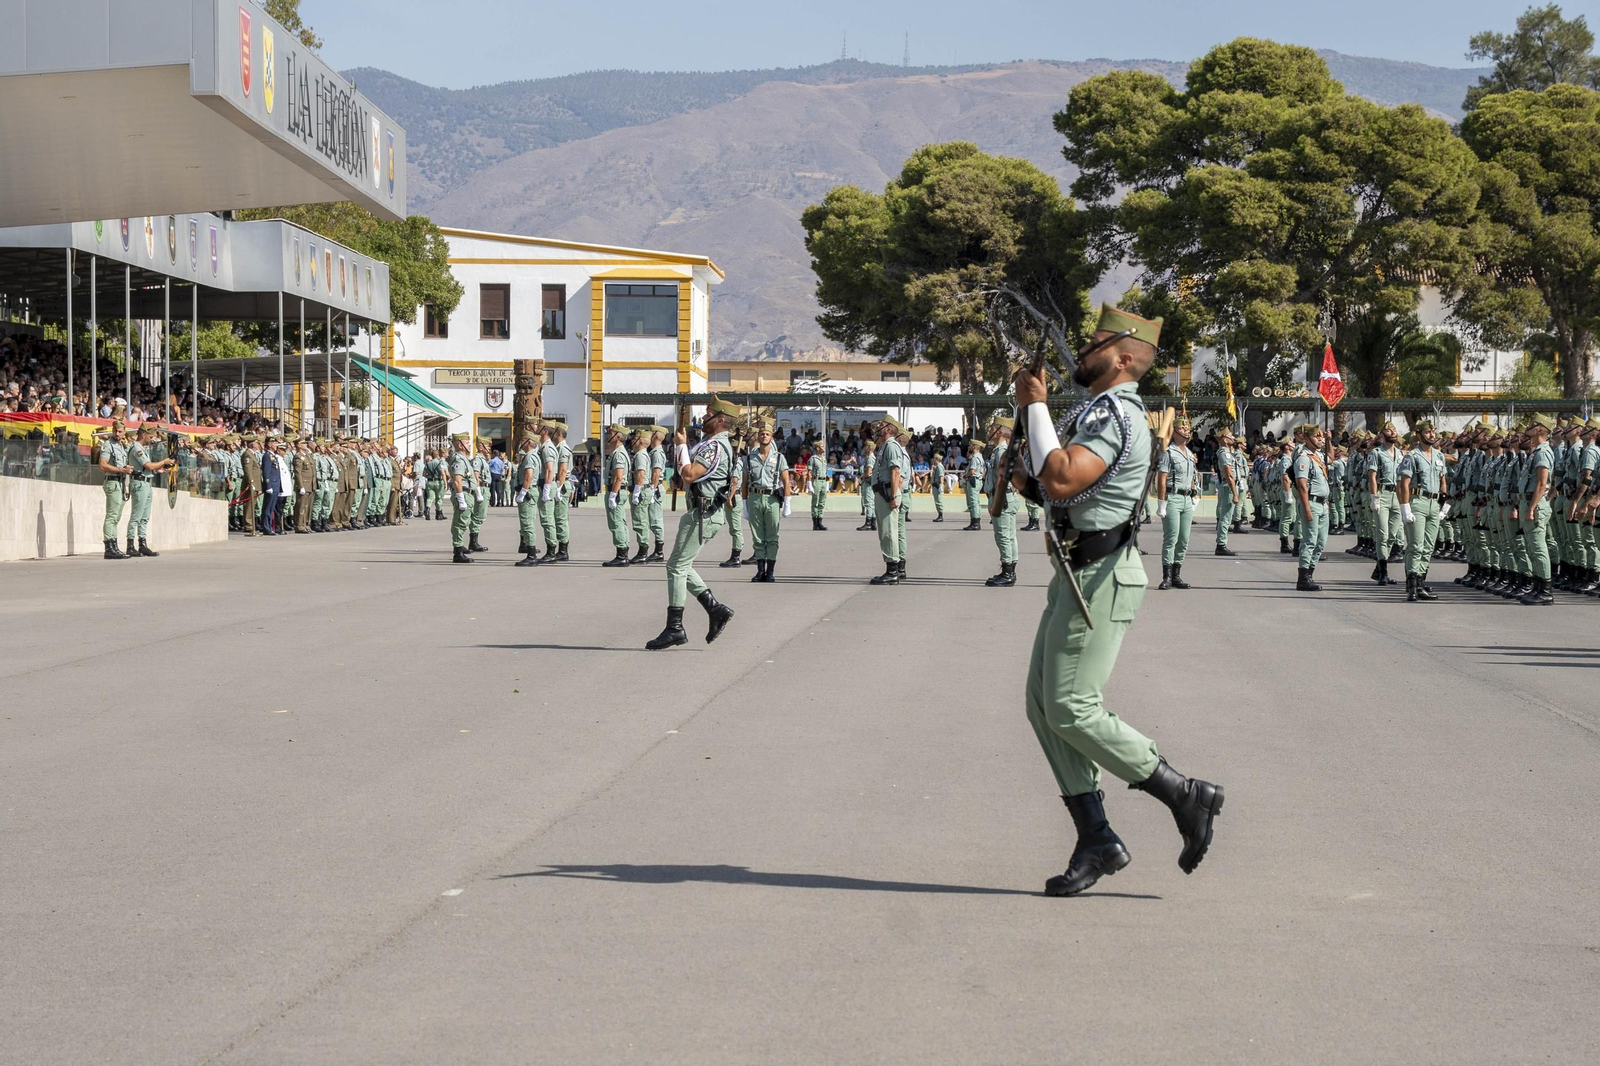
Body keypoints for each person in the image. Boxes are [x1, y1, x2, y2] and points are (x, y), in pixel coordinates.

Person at [1011, 304, 1224, 897]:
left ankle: (1184, 793)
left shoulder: (1113, 410)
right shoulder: (1100, 410)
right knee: (1043, 704)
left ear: (1125, 357)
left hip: (1100, 574)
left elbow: (1061, 477)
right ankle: (1097, 836)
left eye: (1097, 342)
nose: (1083, 349)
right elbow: (1056, 487)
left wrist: (1033, 405)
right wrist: (1023, 460)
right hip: (1077, 571)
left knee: (1071, 705)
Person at [646, 397, 742, 650]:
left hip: (703, 514)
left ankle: (675, 627)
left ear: (720, 420)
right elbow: (688, 479)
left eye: (709, 414)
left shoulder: (714, 447)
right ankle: (715, 609)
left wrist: (680, 446)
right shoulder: (710, 444)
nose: (704, 417)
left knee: (676, 567)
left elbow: (690, 473)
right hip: (700, 511)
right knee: (681, 565)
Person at [1397, 419, 1446, 602]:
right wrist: (1405, 506)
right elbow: (1404, 483)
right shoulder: (1412, 456)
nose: (1431, 435)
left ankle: (1421, 582)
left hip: (1434, 503)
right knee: (1416, 545)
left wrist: (1444, 504)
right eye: (1427, 432)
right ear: (1419, 435)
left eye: (1433, 432)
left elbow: (1443, 481)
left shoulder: (1439, 456)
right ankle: (1412, 586)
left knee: (1428, 547)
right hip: (1418, 501)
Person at [742, 416, 792, 582]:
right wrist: (744, 504)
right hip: (754, 497)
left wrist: (787, 503)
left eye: (767, 434)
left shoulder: (779, 458)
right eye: (762, 433)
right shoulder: (749, 458)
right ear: (758, 437)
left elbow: (785, 481)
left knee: (772, 536)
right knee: (757, 537)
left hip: (771, 499)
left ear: (771, 437)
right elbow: (744, 483)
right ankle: (760, 570)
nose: (764, 436)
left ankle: (770, 572)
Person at [1517, 413, 1558, 605]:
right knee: (1532, 548)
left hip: (1535, 505)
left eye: (1533, 425)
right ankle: (1537, 586)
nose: (1529, 427)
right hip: (1528, 502)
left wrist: (1531, 507)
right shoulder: (1535, 451)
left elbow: (1542, 484)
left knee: (1539, 547)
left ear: (1541, 430)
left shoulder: (1543, 452)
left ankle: (1546, 591)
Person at [1155, 418, 1197, 590]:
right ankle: (1167, 577)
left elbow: (1193, 476)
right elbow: (1162, 478)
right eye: (1182, 427)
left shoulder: (1189, 453)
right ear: (1174, 431)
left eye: (1187, 428)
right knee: (1171, 537)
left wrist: (1194, 495)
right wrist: (1161, 503)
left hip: (1187, 499)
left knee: (1184, 539)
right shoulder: (1168, 453)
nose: (1186, 430)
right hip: (1173, 498)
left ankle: (1177, 575)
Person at [869, 416, 909, 585]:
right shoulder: (885, 446)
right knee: (886, 532)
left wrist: (893, 495)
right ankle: (892, 569)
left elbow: (895, 472)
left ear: (888, 429)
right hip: (884, 492)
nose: (878, 426)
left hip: (887, 493)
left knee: (888, 532)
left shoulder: (891, 445)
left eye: (881, 424)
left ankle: (892, 571)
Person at [1291, 424, 1331, 592]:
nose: (1320, 439)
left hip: (1322, 504)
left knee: (1321, 542)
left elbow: (1331, 456)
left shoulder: (1317, 456)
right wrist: (1306, 508)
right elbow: (1301, 484)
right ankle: (1303, 578)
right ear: (1306, 439)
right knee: (1309, 541)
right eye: (1316, 436)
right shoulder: (1303, 457)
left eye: (1321, 436)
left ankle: (1310, 573)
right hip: (1312, 503)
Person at [984, 415, 1019, 588]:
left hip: (1002, 499)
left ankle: (1007, 573)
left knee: (1003, 536)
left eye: (993, 428)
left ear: (1000, 432)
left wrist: (994, 503)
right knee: (1010, 536)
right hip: (1009, 498)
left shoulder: (1000, 451)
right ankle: (1010, 569)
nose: (990, 431)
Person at [97, 419, 135, 558]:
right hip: (112, 482)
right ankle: (109, 546)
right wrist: (121, 469)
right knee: (111, 516)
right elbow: (103, 465)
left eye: (119, 431)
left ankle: (114, 545)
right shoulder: (108, 445)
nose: (117, 434)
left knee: (116, 517)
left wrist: (126, 484)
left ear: (124, 432)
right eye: (115, 431)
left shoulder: (122, 446)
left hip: (120, 482)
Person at [603, 424, 633, 567]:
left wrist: (612, 495)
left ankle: (622, 555)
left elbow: (618, 477)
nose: (609, 435)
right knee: (619, 522)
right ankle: (623, 551)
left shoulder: (619, 453)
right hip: (617, 490)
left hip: (616, 490)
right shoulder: (618, 452)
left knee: (616, 523)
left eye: (612, 433)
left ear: (618, 436)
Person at [514, 431, 543, 566]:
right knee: (528, 522)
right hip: (530, 491)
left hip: (528, 492)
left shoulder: (530, 457)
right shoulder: (532, 456)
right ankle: (530, 551)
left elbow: (528, 476)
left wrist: (523, 492)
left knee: (527, 523)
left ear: (529, 442)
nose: (521, 442)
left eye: (523, 440)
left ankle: (531, 555)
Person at [447, 432, 477, 563]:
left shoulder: (463, 458)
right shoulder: (458, 459)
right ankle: (458, 552)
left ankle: (459, 547)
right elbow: (457, 480)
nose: (469, 445)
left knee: (462, 522)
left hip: (467, 493)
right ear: (460, 444)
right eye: (467, 443)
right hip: (463, 493)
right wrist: (460, 498)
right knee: (460, 523)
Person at [720, 430, 748, 568]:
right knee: (733, 528)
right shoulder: (733, 462)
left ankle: (735, 556)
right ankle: (735, 555)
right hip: (732, 495)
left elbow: (735, 481)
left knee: (736, 528)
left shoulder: (737, 464)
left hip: (734, 496)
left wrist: (729, 498)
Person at [1213, 428, 1239, 556]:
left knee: (1227, 517)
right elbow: (1229, 474)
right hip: (1228, 486)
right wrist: (1234, 493)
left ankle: (1221, 543)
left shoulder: (1227, 452)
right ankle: (1221, 545)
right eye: (1230, 436)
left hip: (1229, 485)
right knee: (1226, 517)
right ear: (1224, 439)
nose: (1233, 437)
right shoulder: (1224, 453)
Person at [629, 428, 652, 564]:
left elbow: (640, 474)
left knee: (640, 521)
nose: (632, 441)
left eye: (635, 438)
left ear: (641, 441)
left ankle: (643, 551)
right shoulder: (641, 454)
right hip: (644, 489)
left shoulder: (640, 455)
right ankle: (643, 549)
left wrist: (637, 491)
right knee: (641, 521)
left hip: (642, 490)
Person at [648, 427, 667, 561]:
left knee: (656, 520)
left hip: (656, 487)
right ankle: (657, 550)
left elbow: (656, 472)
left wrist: (652, 489)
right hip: (655, 486)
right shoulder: (654, 452)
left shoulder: (657, 453)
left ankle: (659, 551)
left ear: (655, 435)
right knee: (653, 519)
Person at [469, 437, 492, 552]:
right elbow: (475, 475)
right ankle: (473, 542)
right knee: (478, 515)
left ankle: (474, 541)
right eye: (487, 446)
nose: (489, 448)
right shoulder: (477, 460)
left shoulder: (483, 459)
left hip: (485, 488)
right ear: (481, 446)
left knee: (480, 516)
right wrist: (477, 491)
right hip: (481, 488)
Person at [294, 439, 316, 534]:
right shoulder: (298, 457)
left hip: (310, 484)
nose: (305, 444)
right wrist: (300, 485)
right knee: (301, 506)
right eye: (303, 443)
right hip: (304, 483)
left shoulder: (307, 455)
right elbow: (298, 472)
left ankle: (306, 524)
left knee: (308, 506)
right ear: (298, 445)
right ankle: (299, 525)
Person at [963, 436, 985, 531]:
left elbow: (972, 471)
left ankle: (975, 523)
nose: (969, 447)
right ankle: (975, 521)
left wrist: (965, 476)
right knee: (976, 502)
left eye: (971, 445)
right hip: (978, 480)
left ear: (975, 447)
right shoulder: (980, 457)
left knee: (973, 502)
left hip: (973, 480)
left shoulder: (975, 458)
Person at [857, 438, 877, 531]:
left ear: (869, 448)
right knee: (872, 503)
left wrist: (862, 478)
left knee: (869, 502)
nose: (864, 448)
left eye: (865, 446)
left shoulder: (870, 458)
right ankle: (873, 523)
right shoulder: (872, 457)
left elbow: (868, 472)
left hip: (868, 482)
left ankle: (868, 523)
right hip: (871, 482)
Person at [807, 444, 829, 530]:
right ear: (817, 448)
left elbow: (826, 471)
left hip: (824, 481)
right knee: (815, 502)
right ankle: (815, 523)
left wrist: (827, 483)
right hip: (816, 480)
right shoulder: (813, 459)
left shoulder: (824, 459)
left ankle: (820, 521)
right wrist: (809, 484)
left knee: (822, 502)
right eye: (822, 446)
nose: (824, 448)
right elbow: (809, 471)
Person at [930, 451, 946, 522]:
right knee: (937, 501)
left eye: (934, 458)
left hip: (937, 485)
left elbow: (941, 476)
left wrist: (941, 485)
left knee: (939, 501)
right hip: (935, 485)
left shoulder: (939, 466)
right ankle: (939, 515)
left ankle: (940, 516)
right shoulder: (936, 466)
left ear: (937, 459)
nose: (933, 460)